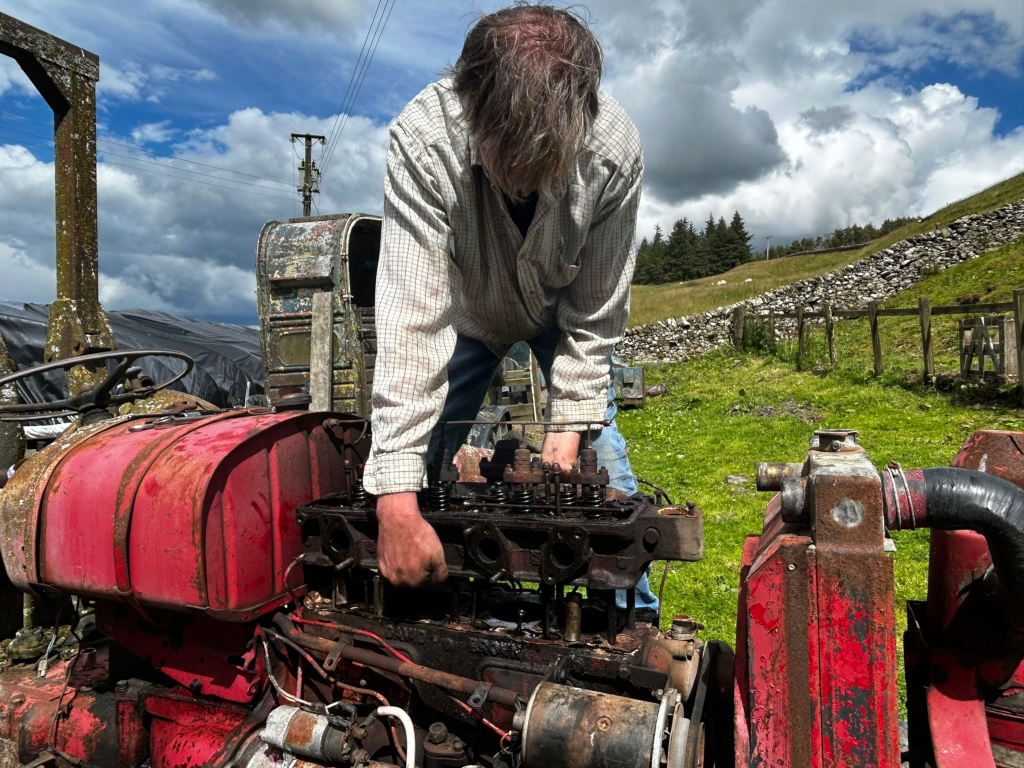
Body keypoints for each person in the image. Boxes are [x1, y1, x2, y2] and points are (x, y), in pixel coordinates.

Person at [363, 3, 655, 612]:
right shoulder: (424, 138)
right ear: (471, 107)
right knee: (418, 472)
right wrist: (395, 499)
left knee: (605, 481)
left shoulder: (614, 152)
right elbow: (411, 320)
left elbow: (596, 315)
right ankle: (422, 601)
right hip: (464, 318)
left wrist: (567, 438)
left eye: (541, 155)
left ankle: (636, 618)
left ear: (581, 116)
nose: (523, 175)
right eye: (510, 152)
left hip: (561, 317)